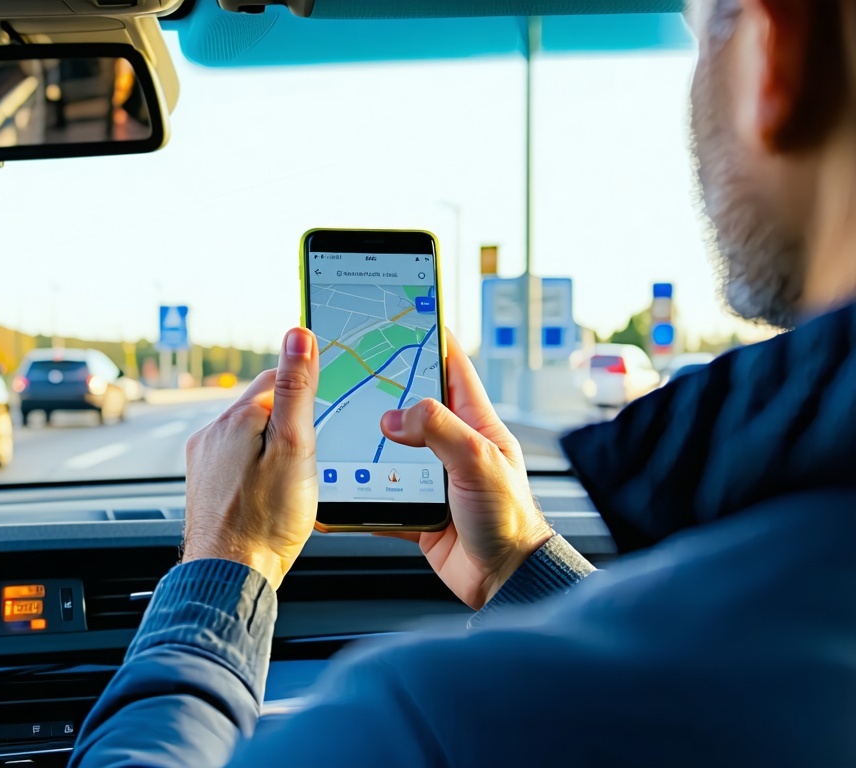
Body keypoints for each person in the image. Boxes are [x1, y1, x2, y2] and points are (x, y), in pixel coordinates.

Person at [70, 1, 856, 765]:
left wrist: (222, 567)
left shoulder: (437, 722)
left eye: (696, 29)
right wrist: (519, 563)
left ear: (774, 48)